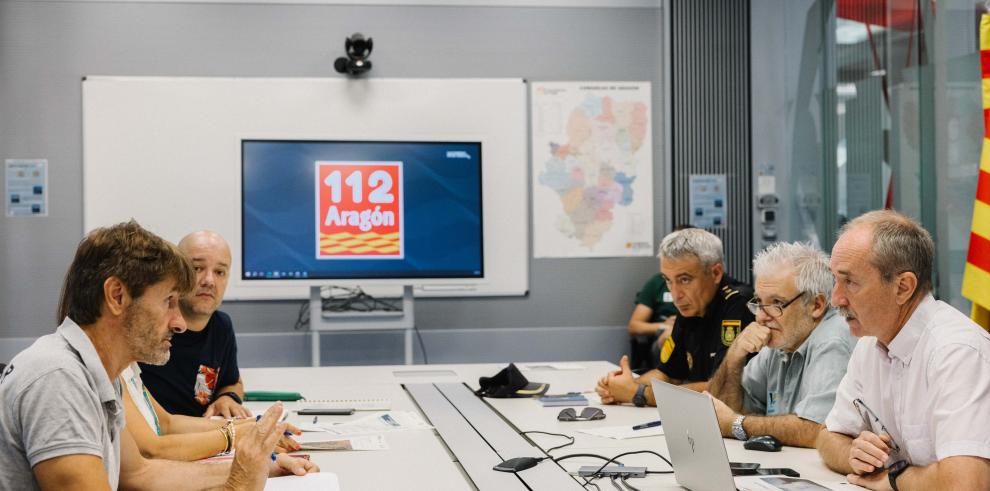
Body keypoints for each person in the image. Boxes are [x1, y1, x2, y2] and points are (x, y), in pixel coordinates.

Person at [0, 220, 318, 489]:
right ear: (117, 296)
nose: (179, 323)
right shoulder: (58, 379)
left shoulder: (96, 373)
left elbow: (140, 472)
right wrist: (237, 483)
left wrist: (257, 468)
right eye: (168, 301)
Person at [816, 210, 990, 490]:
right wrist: (854, 454)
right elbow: (827, 436)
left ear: (903, 287)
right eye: (835, 279)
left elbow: (966, 483)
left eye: (850, 282)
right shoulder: (869, 345)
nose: (836, 298)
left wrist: (893, 478)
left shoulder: (957, 352)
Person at [707, 242, 856, 448]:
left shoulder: (833, 340)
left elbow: (816, 429)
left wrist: (736, 424)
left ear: (816, 305)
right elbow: (722, 410)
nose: (760, 317)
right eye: (758, 302)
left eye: (776, 303)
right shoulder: (782, 338)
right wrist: (734, 356)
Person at [596, 227, 754, 407]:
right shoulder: (691, 305)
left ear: (716, 273)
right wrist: (621, 387)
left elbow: (722, 389)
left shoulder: (740, 304)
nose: (675, 294)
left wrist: (639, 393)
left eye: (685, 279)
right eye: (668, 280)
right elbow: (668, 374)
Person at [141, 230, 250, 418]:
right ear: (176, 273)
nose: (209, 281)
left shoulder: (221, 326)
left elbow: (232, 381)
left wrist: (227, 397)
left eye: (219, 272)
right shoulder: (148, 327)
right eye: (197, 268)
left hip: (204, 437)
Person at [121, 361, 303, 460]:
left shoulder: (129, 367)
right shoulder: (114, 374)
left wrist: (250, 425)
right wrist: (236, 434)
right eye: (167, 302)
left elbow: (167, 423)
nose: (180, 324)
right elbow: (151, 450)